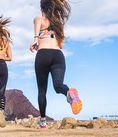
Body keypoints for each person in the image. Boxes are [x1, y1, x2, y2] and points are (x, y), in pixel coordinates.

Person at [30, 0, 82, 129]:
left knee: (42, 90)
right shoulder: (59, 25)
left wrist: (36, 40)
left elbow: (36, 37)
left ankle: (43, 121)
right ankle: (69, 93)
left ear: (42, 8)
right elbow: (61, 45)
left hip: (43, 55)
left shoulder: (39, 19)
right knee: (58, 85)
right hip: (58, 56)